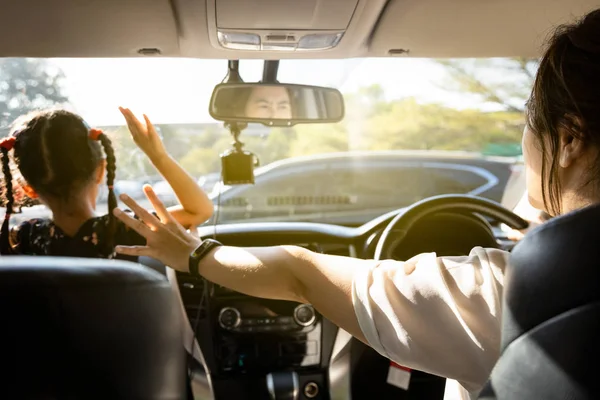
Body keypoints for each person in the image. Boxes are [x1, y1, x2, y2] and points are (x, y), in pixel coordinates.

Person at [112, 9, 600, 400]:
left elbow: (297, 271)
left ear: (569, 138)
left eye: (527, 118)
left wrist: (192, 253)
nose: (523, 140)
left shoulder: (503, 291)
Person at [0, 107, 213, 259]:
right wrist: (158, 156)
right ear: (101, 170)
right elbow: (198, 211)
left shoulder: (19, 238)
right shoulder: (125, 229)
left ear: (28, 187)